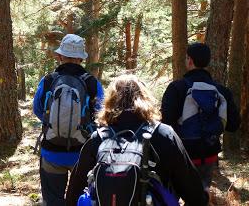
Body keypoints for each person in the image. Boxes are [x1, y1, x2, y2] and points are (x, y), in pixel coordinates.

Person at [66, 74, 209, 206]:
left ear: (110, 101)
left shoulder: (98, 138)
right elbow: (192, 190)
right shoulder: (164, 134)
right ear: (145, 99)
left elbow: (74, 191)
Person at [33, 34, 104, 206]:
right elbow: (102, 114)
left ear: (60, 56)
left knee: (52, 200)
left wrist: (54, 125)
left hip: (51, 151)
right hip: (83, 153)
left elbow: (37, 109)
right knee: (81, 199)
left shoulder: (48, 81)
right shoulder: (92, 83)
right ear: (81, 58)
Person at [161, 42, 241, 190]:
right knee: (200, 197)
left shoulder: (177, 88)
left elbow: (165, 123)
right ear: (207, 62)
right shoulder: (221, 91)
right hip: (209, 156)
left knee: (172, 196)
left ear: (189, 60)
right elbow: (233, 125)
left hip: (181, 155)